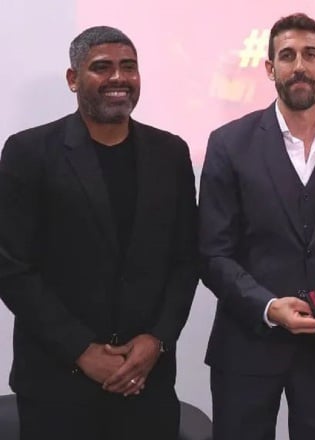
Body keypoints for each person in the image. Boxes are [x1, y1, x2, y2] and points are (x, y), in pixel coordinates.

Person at [0, 26, 198, 440]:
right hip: (56, 385)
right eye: (101, 67)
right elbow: (12, 266)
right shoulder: (28, 152)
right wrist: (81, 351)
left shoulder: (171, 153)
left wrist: (157, 340)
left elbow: (186, 258)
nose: (118, 78)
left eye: (129, 67)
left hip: (147, 384)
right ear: (73, 79)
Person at [199, 12, 315, 440]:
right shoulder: (228, 144)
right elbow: (212, 252)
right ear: (270, 68)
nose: (299, 65)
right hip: (246, 345)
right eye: (287, 56)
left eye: (310, 54)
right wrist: (267, 307)